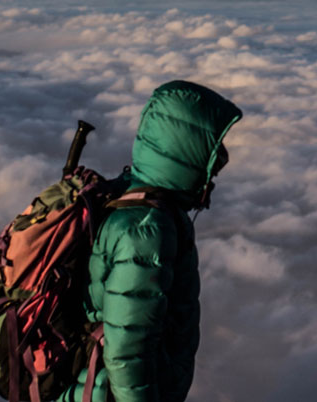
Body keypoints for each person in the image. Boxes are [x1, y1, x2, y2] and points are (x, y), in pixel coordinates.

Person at [57, 80, 241, 402]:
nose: (219, 164)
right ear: (186, 150)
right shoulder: (146, 230)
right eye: (214, 151)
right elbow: (127, 351)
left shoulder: (132, 193)